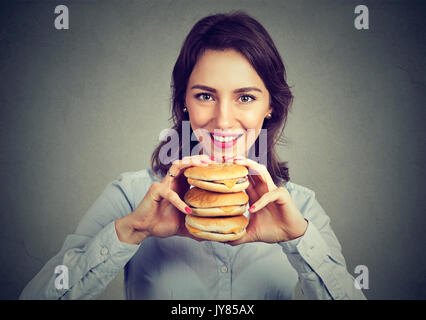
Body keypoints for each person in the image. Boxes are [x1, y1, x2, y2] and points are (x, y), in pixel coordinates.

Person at [20, 11, 366, 300]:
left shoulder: (300, 209)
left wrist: (299, 242)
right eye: (205, 95)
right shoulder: (131, 196)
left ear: (270, 106)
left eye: (245, 97)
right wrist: (130, 232)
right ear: (184, 102)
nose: (224, 119)